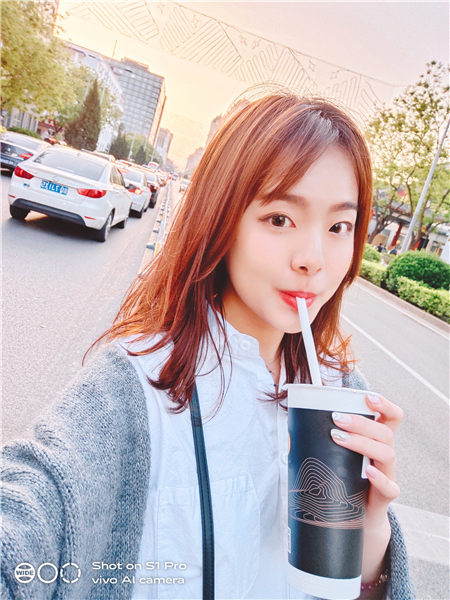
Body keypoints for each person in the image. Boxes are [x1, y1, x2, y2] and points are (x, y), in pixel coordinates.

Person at [1, 93, 414, 600]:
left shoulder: (343, 390)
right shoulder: (136, 384)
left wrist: (371, 539)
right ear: (223, 217)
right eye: (280, 218)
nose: (313, 258)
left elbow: (358, 585)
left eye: (338, 227)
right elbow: (32, 504)